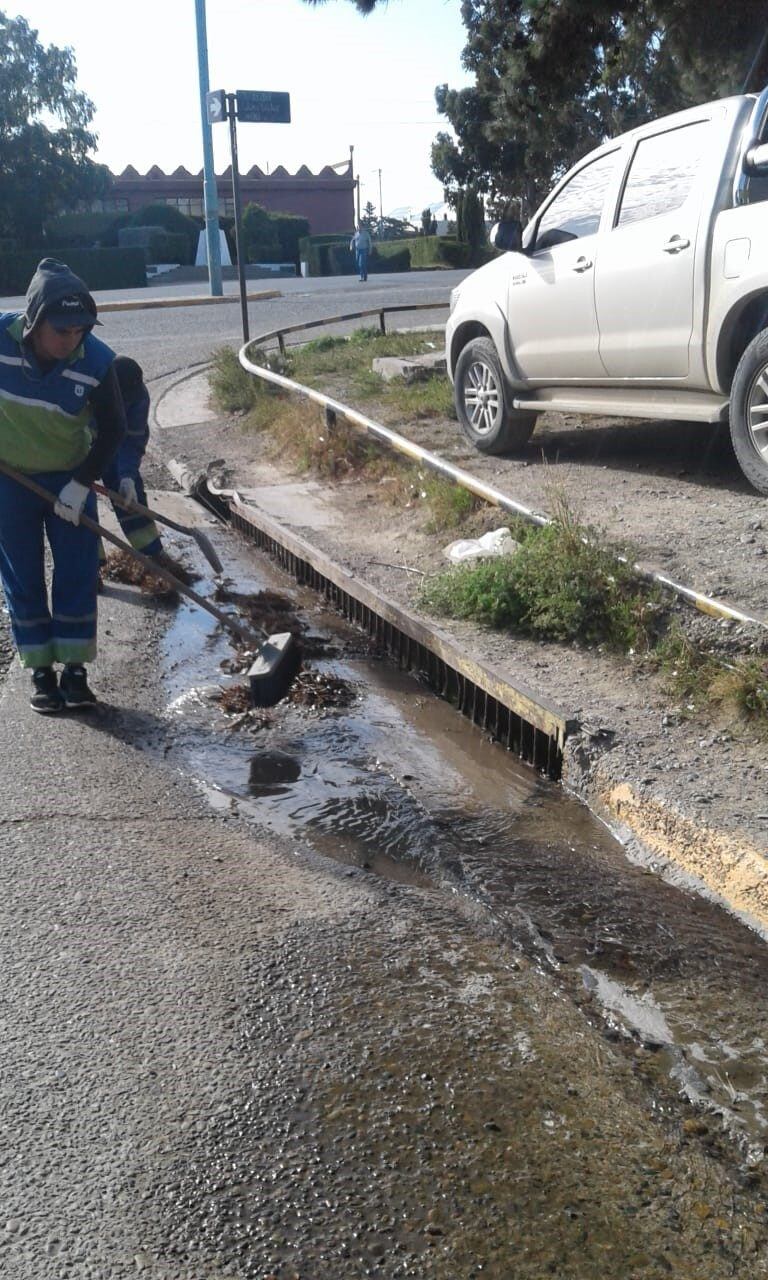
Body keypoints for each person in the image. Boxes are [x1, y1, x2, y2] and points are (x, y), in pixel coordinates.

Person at [0, 258, 125, 714]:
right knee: (22, 576)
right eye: (62, 331)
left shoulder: (96, 360)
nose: (72, 341)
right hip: (10, 480)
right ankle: (40, 673)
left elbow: (114, 428)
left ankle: (75, 672)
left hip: (68, 477)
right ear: (33, 322)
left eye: (80, 331)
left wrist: (79, 483)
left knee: (76, 573)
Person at [101, 356, 164, 563]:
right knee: (79, 506)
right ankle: (91, 566)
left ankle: (152, 553)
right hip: (81, 443)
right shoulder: (91, 387)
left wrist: (127, 476)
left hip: (113, 446)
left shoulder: (138, 396)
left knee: (129, 495)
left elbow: (133, 440)